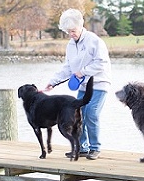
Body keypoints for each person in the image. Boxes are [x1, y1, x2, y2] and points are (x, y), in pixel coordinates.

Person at [45, 9, 112, 160]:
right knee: (77, 115)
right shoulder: (70, 45)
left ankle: (95, 148)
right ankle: (82, 147)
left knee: (91, 113)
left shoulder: (94, 41)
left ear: (81, 26)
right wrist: (52, 82)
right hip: (83, 86)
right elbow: (68, 68)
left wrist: (83, 71)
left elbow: (101, 63)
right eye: (68, 32)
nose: (71, 34)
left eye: (73, 31)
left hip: (99, 83)